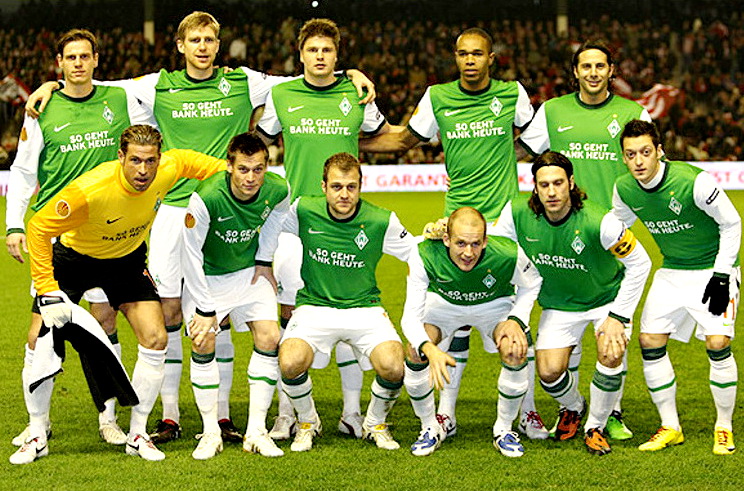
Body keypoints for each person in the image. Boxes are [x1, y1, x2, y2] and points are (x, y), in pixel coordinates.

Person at [25, 11, 376, 445]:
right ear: (181, 46)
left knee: (219, 311)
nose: (203, 47)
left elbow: (301, 76)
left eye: (210, 40)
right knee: (170, 312)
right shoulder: (159, 84)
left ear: (218, 44)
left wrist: (349, 73)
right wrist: (54, 85)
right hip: (173, 212)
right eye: (195, 40)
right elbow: (104, 86)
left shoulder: (244, 81)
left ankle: (222, 416)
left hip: (227, 207)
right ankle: (171, 415)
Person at [360, 27, 543, 441]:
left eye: (477, 53)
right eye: (463, 54)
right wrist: (345, 139)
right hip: (456, 222)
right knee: (455, 316)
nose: (470, 60)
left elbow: (535, 140)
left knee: (516, 326)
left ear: (491, 58)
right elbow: (403, 141)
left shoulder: (512, 94)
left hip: (504, 223)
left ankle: (527, 412)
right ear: (455, 57)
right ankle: (445, 414)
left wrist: (507, 157)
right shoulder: (437, 97)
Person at [9, 125, 225, 464]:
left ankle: (137, 434)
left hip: (126, 261)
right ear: (121, 156)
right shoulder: (91, 189)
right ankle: (38, 433)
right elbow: (38, 228)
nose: (143, 170)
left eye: (150, 161)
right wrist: (48, 289)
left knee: (156, 338)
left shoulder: (168, 168)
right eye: (135, 160)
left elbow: (204, 165)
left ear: (159, 159)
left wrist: (244, 175)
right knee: (38, 340)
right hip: (74, 260)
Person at [5, 28, 152, 449]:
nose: (78, 64)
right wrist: (15, 225)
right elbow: (23, 171)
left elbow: (167, 95)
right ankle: (39, 422)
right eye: (70, 58)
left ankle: (109, 418)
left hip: (106, 234)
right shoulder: (41, 109)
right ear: (60, 63)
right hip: (56, 237)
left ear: (97, 60)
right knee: (40, 332)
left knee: (104, 324)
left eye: (85, 56)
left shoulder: (122, 99)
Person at [257, 18, 394, 441]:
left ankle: (352, 413)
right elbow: (260, 140)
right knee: (289, 315)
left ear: (337, 55)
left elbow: (382, 136)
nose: (320, 56)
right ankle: (289, 414)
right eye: (313, 50)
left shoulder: (356, 93)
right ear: (300, 54)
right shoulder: (282, 94)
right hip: (296, 223)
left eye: (327, 50)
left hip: (346, 220)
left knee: (348, 308)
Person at [516, 39, 652, 440]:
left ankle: (612, 412)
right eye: (586, 66)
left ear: (611, 71)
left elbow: (648, 162)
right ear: (575, 72)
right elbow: (523, 153)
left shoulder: (632, 113)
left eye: (600, 66)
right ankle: (571, 407)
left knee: (613, 332)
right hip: (563, 225)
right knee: (566, 326)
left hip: (610, 230)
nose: (593, 72)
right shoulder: (553, 111)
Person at [493, 151, 651, 456]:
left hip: (606, 300)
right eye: (544, 185)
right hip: (559, 305)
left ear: (571, 183)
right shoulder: (517, 213)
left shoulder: (600, 221)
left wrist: (618, 316)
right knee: (549, 372)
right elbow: (496, 249)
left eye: (558, 183)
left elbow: (640, 263)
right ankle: (574, 406)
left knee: (611, 352)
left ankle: (595, 427)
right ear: (535, 187)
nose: (551, 192)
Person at [613, 120, 740, 455]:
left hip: (713, 270)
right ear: (623, 158)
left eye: (645, 152)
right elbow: (617, 227)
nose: (638, 161)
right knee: (649, 341)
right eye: (630, 154)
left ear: (659, 151)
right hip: (671, 270)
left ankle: (723, 427)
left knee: (717, 343)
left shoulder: (693, 181)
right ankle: (670, 426)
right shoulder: (624, 188)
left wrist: (722, 275)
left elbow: (731, 223)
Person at [278, 152, 414, 452]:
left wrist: (440, 235)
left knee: (394, 366)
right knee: (289, 361)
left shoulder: (381, 220)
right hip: (315, 306)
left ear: (361, 186)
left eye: (351, 187)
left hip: (364, 307)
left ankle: (375, 422)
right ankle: (307, 421)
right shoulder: (304, 210)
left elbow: (415, 253)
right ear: (323, 186)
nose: (344, 194)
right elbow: (268, 226)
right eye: (337, 186)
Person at [180, 133, 289, 459]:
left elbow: (277, 217)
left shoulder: (278, 189)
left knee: (270, 337)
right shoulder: (206, 197)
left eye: (258, 169)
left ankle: (256, 431)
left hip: (248, 273)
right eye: (243, 169)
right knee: (202, 340)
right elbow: (190, 255)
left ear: (267, 167)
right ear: (229, 166)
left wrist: (264, 259)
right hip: (208, 277)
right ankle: (210, 431)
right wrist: (204, 308)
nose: (251, 177)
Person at [401, 207, 541, 457]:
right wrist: (428, 348)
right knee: (414, 351)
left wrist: (516, 319)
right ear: (446, 239)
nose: (468, 253)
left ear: (485, 240)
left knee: (514, 347)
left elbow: (533, 283)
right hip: (444, 304)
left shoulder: (508, 254)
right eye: (461, 243)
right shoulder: (423, 253)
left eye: (476, 244)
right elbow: (410, 316)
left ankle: (504, 429)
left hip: (492, 305)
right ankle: (429, 427)